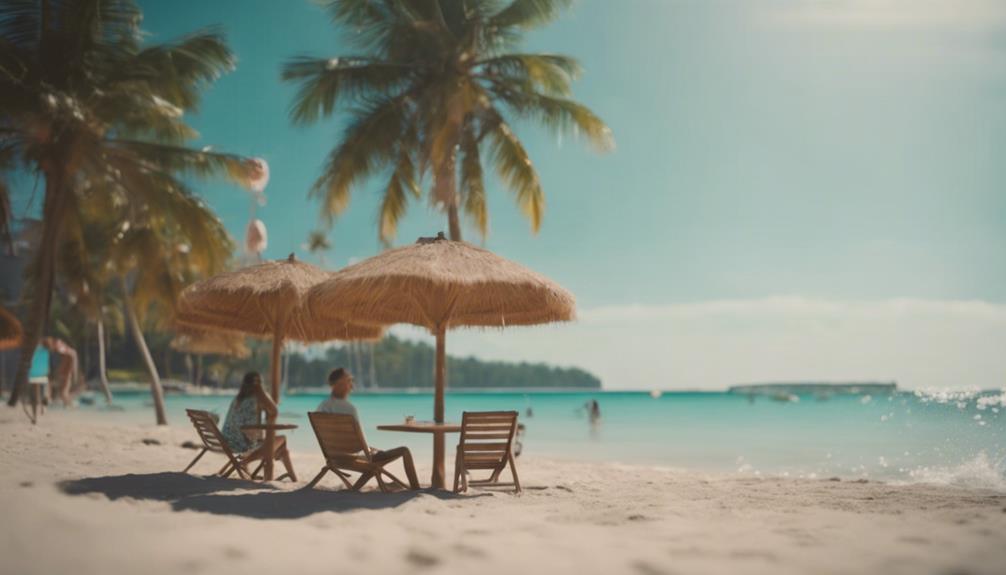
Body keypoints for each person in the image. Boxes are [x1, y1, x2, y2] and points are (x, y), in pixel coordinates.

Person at [317, 368, 420, 489]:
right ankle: (416, 488)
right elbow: (360, 444)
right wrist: (371, 451)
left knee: (374, 453)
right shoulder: (349, 409)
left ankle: (381, 483)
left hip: (334, 456)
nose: (352, 385)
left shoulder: (322, 406)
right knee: (404, 450)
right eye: (349, 381)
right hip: (353, 457)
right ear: (339, 383)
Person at [221, 372, 286, 457]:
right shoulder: (255, 399)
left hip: (226, 442)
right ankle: (247, 461)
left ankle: (290, 470)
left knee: (283, 451)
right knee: (282, 439)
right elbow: (274, 411)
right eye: (260, 383)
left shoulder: (237, 399)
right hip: (242, 446)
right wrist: (262, 392)